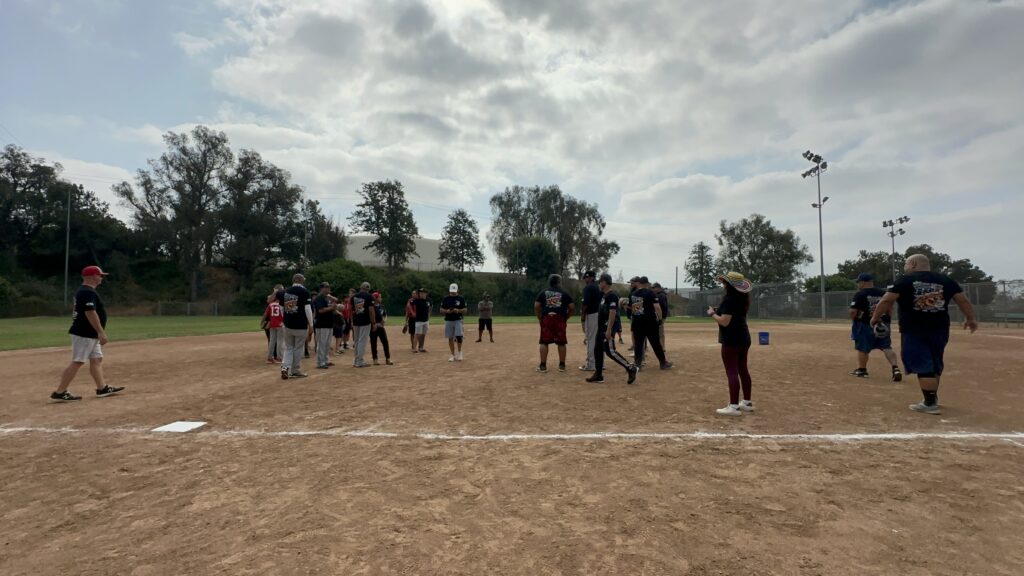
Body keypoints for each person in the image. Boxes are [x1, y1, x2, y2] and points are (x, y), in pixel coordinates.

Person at [870, 254, 978, 415]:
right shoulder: (945, 280)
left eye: (906, 264)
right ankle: (932, 397)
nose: (905, 267)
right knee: (934, 362)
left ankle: (929, 403)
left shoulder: (905, 280)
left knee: (922, 363)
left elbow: (886, 300)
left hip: (914, 329)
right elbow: (962, 300)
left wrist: (875, 318)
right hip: (940, 328)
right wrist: (970, 318)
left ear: (913, 264)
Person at [51, 265, 125, 402]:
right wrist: (101, 332)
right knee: (78, 361)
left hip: (89, 333)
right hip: (85, 333)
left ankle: (102, 388)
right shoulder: (86, 292)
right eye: (99, 275)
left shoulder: (85, 291)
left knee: (97, 359)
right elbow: (90, 312)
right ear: (91, 277)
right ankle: (60, 392)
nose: (101, 278)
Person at [707, 271, 754, 416]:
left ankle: (733, 406)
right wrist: (719, 311)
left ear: (728, 284)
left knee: (732, 371)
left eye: (724, 282)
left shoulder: (729, 299)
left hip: (732, 339)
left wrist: (712, 314)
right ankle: (747, 402)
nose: (723, 284)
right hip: (744, 337)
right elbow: (736, 315)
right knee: (743, 369)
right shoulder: (743, 298)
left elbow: (725, 322)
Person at [586, 273, 639, 384]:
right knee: (597, 350)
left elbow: (612, 312)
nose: (599, 284)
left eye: (600, 282)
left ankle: (630, 368)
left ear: (604, 282)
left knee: (610, 351)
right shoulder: (604, 295)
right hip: (601, 328)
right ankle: (598, 374)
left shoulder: (612, 296)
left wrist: (609, 329)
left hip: (607, 327)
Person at [848, 273, 902, 381]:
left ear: (863, 282)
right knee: (886, 347)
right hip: (883, 324)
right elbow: (889, 309)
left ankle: (862, 370)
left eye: (859, 282)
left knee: (862, 348)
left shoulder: (860, 294)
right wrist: (885, 319)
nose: (858, 284)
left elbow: (853, 312)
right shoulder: (883, 293)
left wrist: (859, 318)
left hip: (865, 324)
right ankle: (895, 368)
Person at [534, 274, 575, 373]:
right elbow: (572, 307)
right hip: (560, 318)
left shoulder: (543, 292)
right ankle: (562, 365)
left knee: (544, 342)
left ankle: (543, 366)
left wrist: (539, 316)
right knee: (561, 342)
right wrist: (566, 317)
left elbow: (536, 305)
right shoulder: (564, 293)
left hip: (547, 318)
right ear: (559, 282)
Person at [630, 277, 673, 370]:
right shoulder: (650, 293)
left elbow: (634, 309)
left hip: (637, 322)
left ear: (639, 283)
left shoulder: (634, 294)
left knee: (638, 344)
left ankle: (638, 364)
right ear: (646, 283)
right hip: (650, 322)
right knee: (656, 343)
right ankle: (663, 363)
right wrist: (660, 319)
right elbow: (657, 307)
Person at [278, 273, 313, 379]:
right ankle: (295, 370)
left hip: (288, 324)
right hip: (300, 324)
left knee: (288, 347)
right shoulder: (305, 292)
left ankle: (285, 367)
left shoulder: (285, 291)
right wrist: (311, 324)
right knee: (298, 348)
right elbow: (307, 309)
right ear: (301, 280)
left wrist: (285, 319)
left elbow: (281, 308)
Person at [578, 270, 601, 372]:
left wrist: (583, 315)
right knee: (597, 339)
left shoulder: (588, 288)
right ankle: (600, 363)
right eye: (585, 278)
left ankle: (590, 364)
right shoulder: (598, 287)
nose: (585, 279)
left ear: (592, 278)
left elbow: (585, 303)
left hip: (591, 315)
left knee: (590, 339)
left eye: (587, 277)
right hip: (599, 314)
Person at [350, 282, 377, 368]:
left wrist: (351, 321)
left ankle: (356, 360)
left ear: (360, 287)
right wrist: (373, 322)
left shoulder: (353, 296)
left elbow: (351, 309)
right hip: (365, 321)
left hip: (356, 321)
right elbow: (371, 309)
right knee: (362, 341)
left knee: (356, 341)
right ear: (368, 289)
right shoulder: (369, 296)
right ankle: (359, 361)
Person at [312, 282, 337, 369]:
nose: (328, 288)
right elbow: (321, 310)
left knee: (327, 344)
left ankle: (325, 360)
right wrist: (332, 308)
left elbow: (335, 300)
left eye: (329, 287)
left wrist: (332, 306)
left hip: (329, 323)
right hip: (321, 324)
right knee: (322, 344)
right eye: (326, 287)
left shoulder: (327, 297)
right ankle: (320, 362)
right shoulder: (319, 298)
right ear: (322, 288)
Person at [441, 283, 468, 362]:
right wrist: (447, 311)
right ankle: (452, 354)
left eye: (454, 291)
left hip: (458, 319)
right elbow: (441, 310)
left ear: (457, 290)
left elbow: (465, 310)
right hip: (448, 320)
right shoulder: (446, 299)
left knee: (459, 336)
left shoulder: (461, 298)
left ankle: (460, 353)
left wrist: (458, 310)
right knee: (450, 337)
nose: (453, 293)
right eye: (452, 291)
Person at [370, 291, 393, 365]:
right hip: (373, 327)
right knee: (373, 343)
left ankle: (388, 359)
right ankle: (375, 359)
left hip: (381, 327)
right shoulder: (371, 306)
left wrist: (384, 320)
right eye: (380, 297)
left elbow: (385, 315)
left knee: (385, 342)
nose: (381, 298)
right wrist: (374, 324)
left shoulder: (382, 306)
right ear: (375, 298)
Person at [262, 284, 284, 361]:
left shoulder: (272, 303)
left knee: (272, 340)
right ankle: (279, 356)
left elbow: (265, 313)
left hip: (272, 323)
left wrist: (261, 322)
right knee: (279, 341)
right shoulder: (281, 301)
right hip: (279, 323)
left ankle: (270, 356)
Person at [413, 288, 431, 353]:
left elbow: (430, 307)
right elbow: (409, 304)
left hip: (426, 320)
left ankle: (421, 347)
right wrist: (412, 312)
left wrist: (429, 315)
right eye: (420, 293)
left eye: (423, 293)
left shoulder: (428, 300)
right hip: (419, 320)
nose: (421, 294)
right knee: (417, 334)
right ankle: (414, 348)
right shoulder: (417, 300)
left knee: (423, 335)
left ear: (426, 294)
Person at [652, 282, 670, 349]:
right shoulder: (659, 295)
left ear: (658, 288)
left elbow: (663, 307)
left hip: (660, 316)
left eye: (654, 288)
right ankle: (661, 346)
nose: (653, 289)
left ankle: (662, 347)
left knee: (660, 332)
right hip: (659, 315)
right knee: (658, 332)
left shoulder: (661, 295)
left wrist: (661, 317)